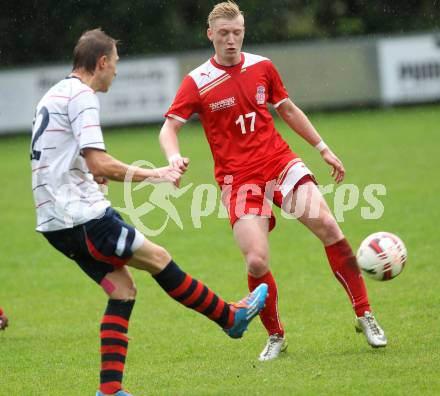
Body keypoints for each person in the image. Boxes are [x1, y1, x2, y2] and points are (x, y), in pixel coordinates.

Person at [31, 28, 268, 396]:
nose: (117, 72)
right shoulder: (82, 96)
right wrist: (156, 174)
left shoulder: (55, 93)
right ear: (102, 61)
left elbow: (66, 158)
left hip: (55, 224)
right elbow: (99, 162)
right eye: (116, 64)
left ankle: (109, 390)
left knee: (122, 289)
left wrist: (89, 178)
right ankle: (230, 317)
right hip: (84, 219)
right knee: (158, 258)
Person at [159, 1, 387, 362]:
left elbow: (288, 109)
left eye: (237, 33)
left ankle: (364, 314)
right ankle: (276, 335)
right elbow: (169, 127)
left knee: (329, 225)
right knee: (256, 262)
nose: (231, 41)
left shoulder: (262, 66)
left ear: (243, 32)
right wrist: (173, 158)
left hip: (279, 164)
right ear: (210, 35)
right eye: (223, 34)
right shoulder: (198, 81)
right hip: (238, 181)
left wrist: (322, 148)